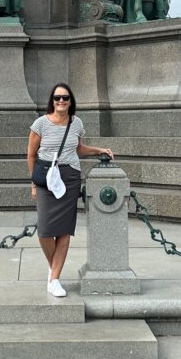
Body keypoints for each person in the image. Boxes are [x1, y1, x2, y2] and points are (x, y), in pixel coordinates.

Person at [28, 84, 114, 297]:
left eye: (65, 97)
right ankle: (53, 268)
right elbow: (31, 154)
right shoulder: (40, 124)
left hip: (70, 177)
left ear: (70, 101)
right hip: (47, 177)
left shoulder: (76, 123)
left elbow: (78, 148)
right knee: (44, 231)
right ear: (52, 100)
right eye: (57, 97)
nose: (61, 101)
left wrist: (98, 150)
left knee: (65, 231)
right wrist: (33, 184)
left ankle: (55, 279)